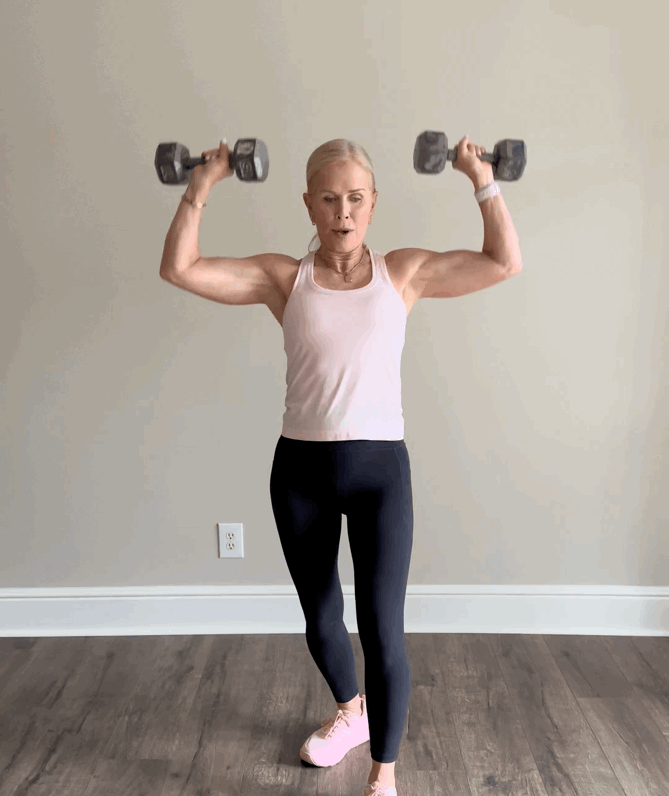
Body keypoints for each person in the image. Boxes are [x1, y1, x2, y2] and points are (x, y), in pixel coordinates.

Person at [160, 135, 498, 796]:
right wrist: (201, 185)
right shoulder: (284, 278)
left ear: (373, 203)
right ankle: (351, 712)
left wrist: (480, 178)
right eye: (328, 199)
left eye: (355, 198)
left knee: (381, 629)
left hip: (380, 475)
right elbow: (181, 268)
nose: (343, 212)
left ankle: (383, 776)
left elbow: (502, 261)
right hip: (300, 473)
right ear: (309, 205)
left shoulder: (403, 273)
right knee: (319, 618)